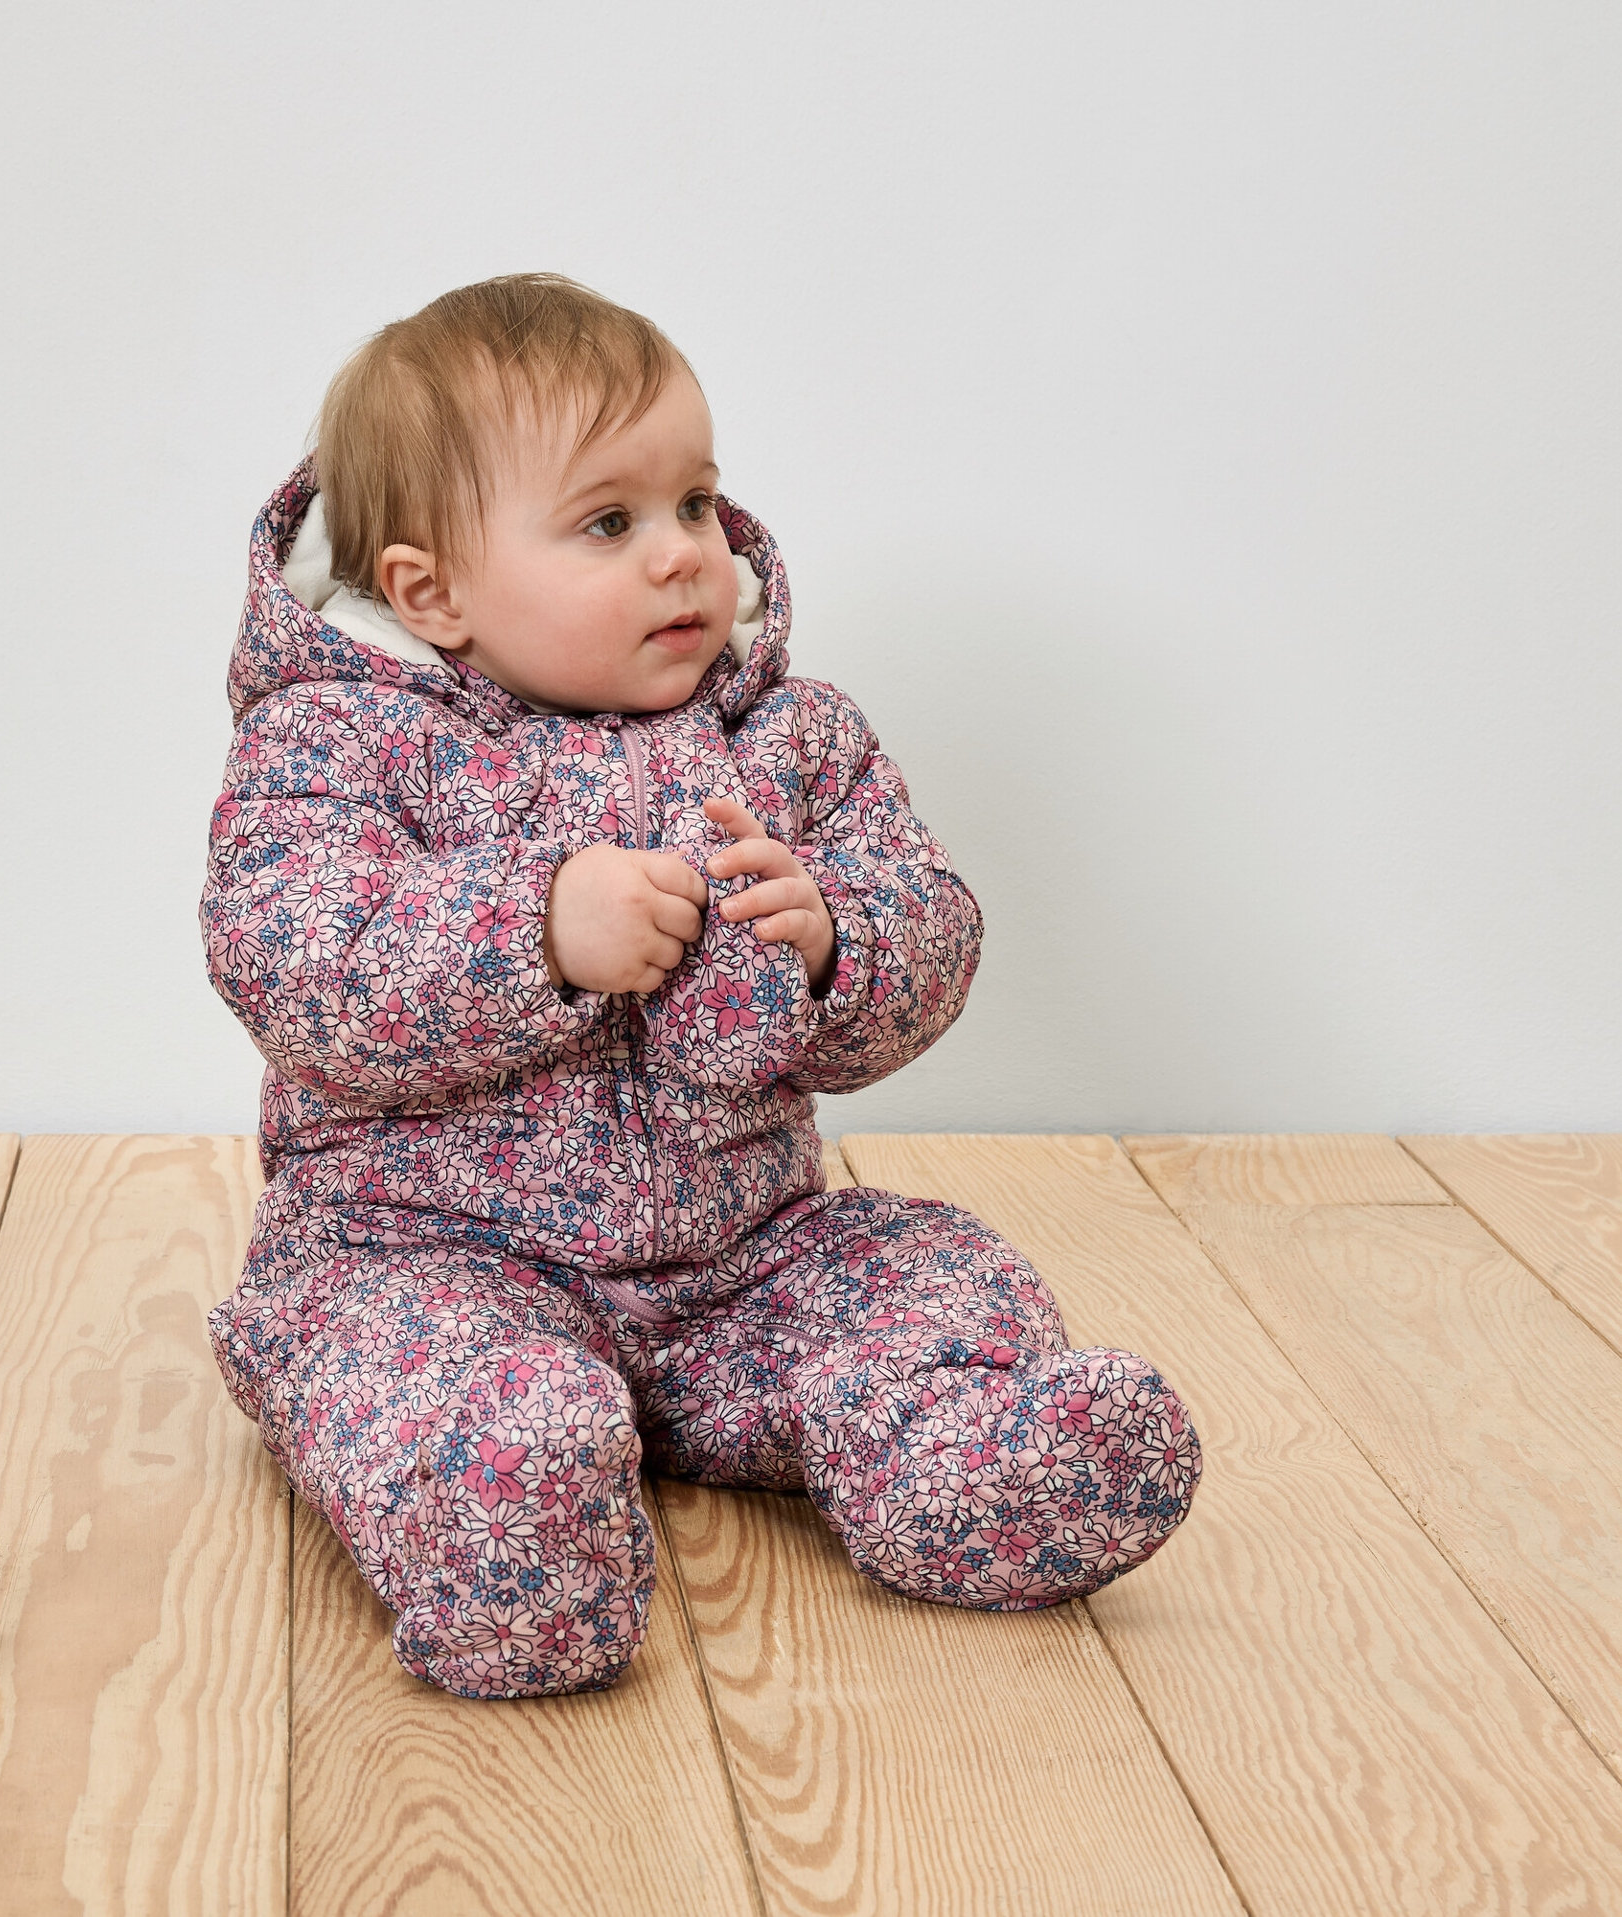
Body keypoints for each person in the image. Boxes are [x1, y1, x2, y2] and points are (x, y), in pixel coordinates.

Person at [201, 274, 1201, 1699]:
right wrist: (534, 927)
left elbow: (934, 923)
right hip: (425, 1254)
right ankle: (504, 1520)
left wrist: (835, 941)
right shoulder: (340, 745)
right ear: (433, 590)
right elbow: (294, 957)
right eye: (608, 522)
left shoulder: (789, 736)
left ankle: (966, 1459)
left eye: (693, 504)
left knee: (921, 1269)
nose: (682, 557)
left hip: (741, 1263)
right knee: (430, 1382)